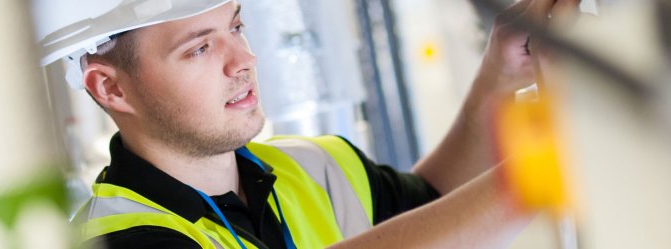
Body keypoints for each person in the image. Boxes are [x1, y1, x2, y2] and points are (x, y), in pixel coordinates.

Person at [33, 0, 580, 248]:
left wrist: (500, 73)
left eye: (236, 26)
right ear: (111, 88)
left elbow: (441, 209)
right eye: (199, 48)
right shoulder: (116, 240)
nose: (243, 59)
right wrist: (542, 168)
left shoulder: (313, 166)